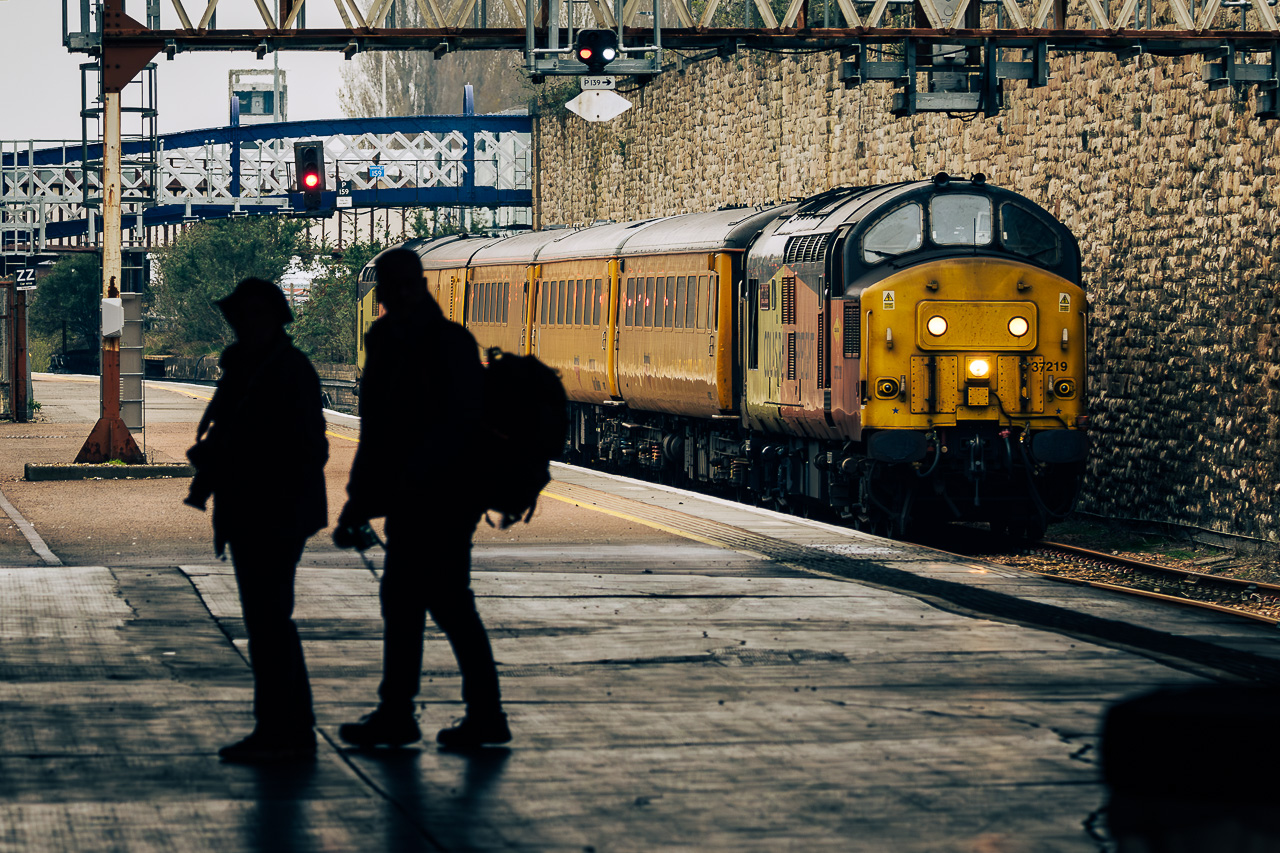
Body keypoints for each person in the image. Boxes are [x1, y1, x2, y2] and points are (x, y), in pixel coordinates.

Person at [334, 247, 509, 751]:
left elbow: (380, 434)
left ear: (391, 290)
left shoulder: (391, 341)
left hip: (421, 499)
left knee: (416, 602)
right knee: (446, 602)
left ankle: (405, 714)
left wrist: (358, 503)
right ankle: (473, 712)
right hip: (456, 497)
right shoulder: (455, 340)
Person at [185, 277, 330, 764]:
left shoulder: (282, 370)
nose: (237, 325)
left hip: (273, 511)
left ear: (264, 319)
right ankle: (289, 724)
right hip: (256, 509)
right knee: (269, 621)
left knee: (269, 622)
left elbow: (306, 445)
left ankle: (281, 728)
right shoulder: (252, 367)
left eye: (244, 317)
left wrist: (236, 456)